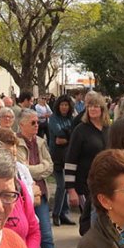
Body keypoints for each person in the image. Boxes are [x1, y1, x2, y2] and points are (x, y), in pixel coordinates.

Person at [17, 108, 68, 248]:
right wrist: (40, 169)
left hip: (42, 195)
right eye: (33, 122)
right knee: (23, 241)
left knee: (46, 239)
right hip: (24, 198)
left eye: (38, 122)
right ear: (21, 125)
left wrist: (35, 169)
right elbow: (22, 170)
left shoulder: (40, 142)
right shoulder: (15, 143)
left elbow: (50, 166)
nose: (37, 125)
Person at [65, 90, 111, 214]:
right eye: (90, 106)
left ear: (102, 109)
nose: (92, 109)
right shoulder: (80, 130)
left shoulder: (108, 129)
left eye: (96, 106)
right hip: (84, 185)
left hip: (105, 184)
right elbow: (70, 159)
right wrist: (71, 189)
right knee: (91, 220)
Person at [48, 94, 77, 226]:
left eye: (66, 105)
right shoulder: (53, 118)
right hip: (56, 157)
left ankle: (63, 213)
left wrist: (68, 138)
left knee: (67, 184)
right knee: (61, 185)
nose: (64, 107)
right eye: (62, 105)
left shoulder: (71, 118)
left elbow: (75, 134)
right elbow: (58, 134)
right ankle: (56, 213)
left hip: (69, 155)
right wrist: (70, 135)